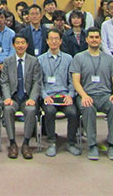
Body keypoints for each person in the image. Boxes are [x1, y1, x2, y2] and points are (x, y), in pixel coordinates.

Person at [70, 27, 113, 161]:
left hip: (105, 95)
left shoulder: (109, 59)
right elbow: (76, 81)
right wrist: (84, 96)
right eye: (91, 37)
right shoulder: (79, 57)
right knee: (87, 108)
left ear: (100, 39)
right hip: (87, 95)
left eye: (96, 37)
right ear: (86, 39)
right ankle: (92, 145)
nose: (94, 40)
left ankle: (112, 144)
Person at [38, 29, 80, 157]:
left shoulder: (68, 58)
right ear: (47, 41)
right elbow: (38, 82)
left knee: (73, 112)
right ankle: (51, 142)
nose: (54, 41)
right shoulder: (40, 59)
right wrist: (45, 96)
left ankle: (71, 142)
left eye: (56, 38)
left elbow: (72, 80)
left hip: (64, 95)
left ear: (61, 41)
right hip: (49, 96)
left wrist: (70, 95)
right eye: (51, 39)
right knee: (49, 111)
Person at [1, 34, 42, 159]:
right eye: (17, 43)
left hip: (27, 97)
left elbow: (37, 82)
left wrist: (32, 99)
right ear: (13, 45)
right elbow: (4, 82)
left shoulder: (34, 61)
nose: (20, 45)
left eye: (23, 43)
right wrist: (7, 97)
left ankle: (26, 143)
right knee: (7, 109)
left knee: (30, 110)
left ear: (27, 45)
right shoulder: (8, 61)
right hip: (13, 97)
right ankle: (12, 143)